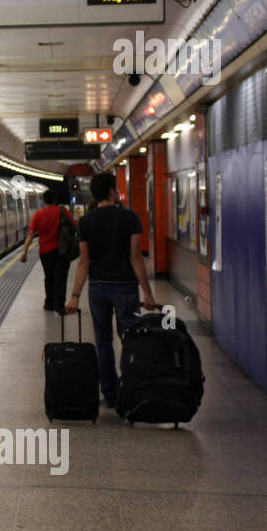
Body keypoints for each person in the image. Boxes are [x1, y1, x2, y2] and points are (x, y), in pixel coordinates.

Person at [64, 173, 158, 408]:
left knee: (103, 342)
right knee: (131, 339)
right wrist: (147, 293)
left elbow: (84, 263)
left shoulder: (86, 222)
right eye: (116, 188)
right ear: (112, 192)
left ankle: (110, 393)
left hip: (97, 289)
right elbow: (136, 258)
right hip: (126, 287)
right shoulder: (130, 219)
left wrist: (75, 296)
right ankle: (132, 389)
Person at [20, 189, 73, 312]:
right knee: (61, 277)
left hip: (45, 251)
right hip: (62, 250)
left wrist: (25, 251)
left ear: (43, 200)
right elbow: (73, 225)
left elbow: (31, 234)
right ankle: (59, 305)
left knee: (49, 277)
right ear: (55, 200)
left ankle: (49, 303)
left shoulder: (39, 215)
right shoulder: (63, 211)